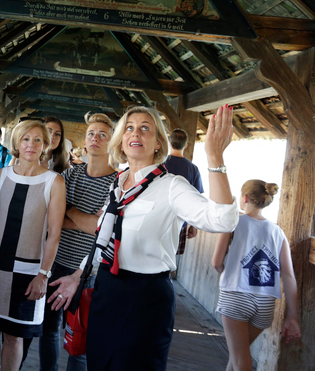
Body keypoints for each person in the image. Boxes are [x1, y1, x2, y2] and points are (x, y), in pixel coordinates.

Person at [49, 104, 239, 371]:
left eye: (145, 128)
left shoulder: (172, 186)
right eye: (129, 128)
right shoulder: (119, 183)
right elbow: (104, 237)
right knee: (99, 364)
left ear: (158, 142)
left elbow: (224, 220)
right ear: (122, 141)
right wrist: (78, 275)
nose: (135, 132)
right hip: (106, 290)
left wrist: (215, 157)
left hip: (146, 297)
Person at [0, 119, 66, 371]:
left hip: (28, 272)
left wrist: (43, 275)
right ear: (17, 143)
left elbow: (54, 234)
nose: (31, 144)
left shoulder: (54, 182)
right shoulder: (1, 176)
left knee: (14, 336)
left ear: (45, 145)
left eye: (37, 140)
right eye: (25, 139)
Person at [23, 113, 118, 371]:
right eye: (91, 134)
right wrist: (88, 221)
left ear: (112, 142)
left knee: (80, 336)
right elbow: (49, 218)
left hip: (89, 271)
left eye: (102, 134)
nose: (95, 138)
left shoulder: (117, 184)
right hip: (56, 261)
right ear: (84, 142)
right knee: (49, 330)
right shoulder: (68, 176)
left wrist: (70, 211)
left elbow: (102, 233)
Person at [212, 180, 301, 371]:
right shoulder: (278, 232)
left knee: (241, 360)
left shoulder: (233, 222)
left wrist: (228, 272)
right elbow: (288, 275)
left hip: (236, 296)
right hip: (265, 304)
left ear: (244, 198)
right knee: (238, 355)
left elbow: (216, 262)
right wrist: (292, 315)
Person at [165, 128, 204, 264]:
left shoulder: (158, 164)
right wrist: (193, 225)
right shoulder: (193, 169)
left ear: (169, 142)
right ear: (186, 145)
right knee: (170, 260)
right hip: (180, 222)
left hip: (157, 217)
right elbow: (196, 200)